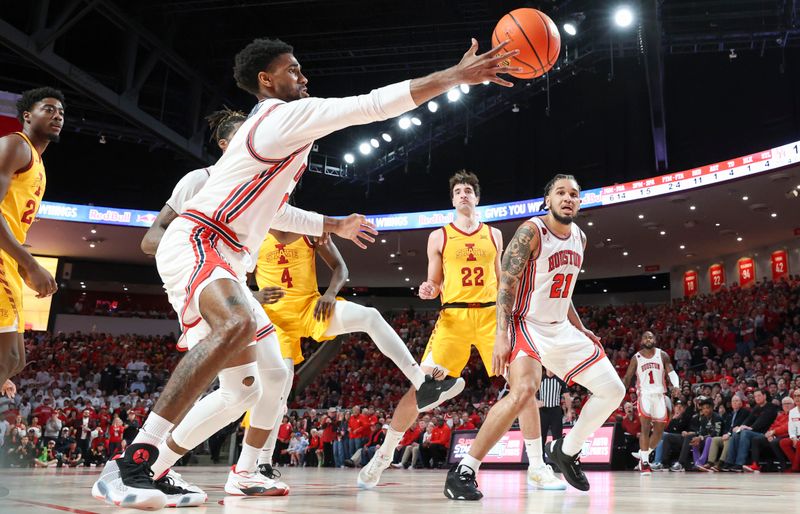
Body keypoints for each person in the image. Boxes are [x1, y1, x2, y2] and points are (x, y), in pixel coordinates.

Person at [92, 36, 518, 510]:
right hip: (201, 240)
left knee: (258, 382)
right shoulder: (279, 116)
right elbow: (372, 105)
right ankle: (132, 462)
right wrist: (454, 77)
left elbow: (275, 210)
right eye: (294, 70)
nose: (304, 77)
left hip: (228, 254)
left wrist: (331, 224)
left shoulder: (276, 135)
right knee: (236, 326)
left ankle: (192, 470)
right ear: (266, 80)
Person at [359, 171, 563, 490]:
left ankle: (538, 465)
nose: (463, 194)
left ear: (477, 198)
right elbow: (435, 281)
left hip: (489, 317)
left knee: (523, 387)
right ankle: (383, 456)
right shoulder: (438, 236)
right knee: (421, 388)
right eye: (458, 191)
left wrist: (507, 324)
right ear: (452, 200)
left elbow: (503, 281)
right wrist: (429, 288)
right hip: (452, 318)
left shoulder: (494, 234)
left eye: (468, 190)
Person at [444, 174, 626, 500]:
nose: (568, 198)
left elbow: (562, 289)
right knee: (524, 391)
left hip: (560, 327)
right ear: (548, 200)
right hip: (524, 323)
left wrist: (580, 326)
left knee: (613, 390)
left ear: (579, 202)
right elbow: (506, 284)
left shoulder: (580, 238)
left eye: (574, 194)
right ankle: (464, 470)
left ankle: (566, 451)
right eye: (561, 192)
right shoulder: (532, 231)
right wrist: (502, 336)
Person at [249, 224, 455, 482]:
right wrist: (255, 295)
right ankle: (264, 462)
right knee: (279, 390)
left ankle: (421, 382)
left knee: (370, 316)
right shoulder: (254, 234)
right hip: (274, 320)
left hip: (311, 307)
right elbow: (230, 278)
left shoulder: (308, 227)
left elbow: (341, 268)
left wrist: (330, 294)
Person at [0, 88, 63, 399]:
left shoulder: (37, 163)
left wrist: (23, 262)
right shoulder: (15, 145)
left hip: (8, 258)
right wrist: (30, 263)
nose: (58, 116)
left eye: (61, 112)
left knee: (14, 362)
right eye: (49, 109)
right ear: (27, 115)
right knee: (8, 359)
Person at [622, 330, 680, 474]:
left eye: (651, 337)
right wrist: (621, 391)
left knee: (659, 431)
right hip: (644, 395)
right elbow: (628, 377)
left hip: (660, 395)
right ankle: (646, 463)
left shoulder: (662, 355)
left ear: (654, 339)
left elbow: (671, 372)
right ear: (641, 341)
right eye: (645, 337)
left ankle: (644, 455)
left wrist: (676, 386)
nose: (648, 339)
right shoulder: (636, 358)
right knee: (645, 428)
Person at [720, 389, 778, 471]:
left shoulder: (770, 407)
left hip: (764, 434)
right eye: (755, 396)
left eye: (759, 396)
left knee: (745, 433)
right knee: (736, 433)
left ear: (764, 396)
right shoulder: (756, 408)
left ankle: (740, 463)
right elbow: (748, 420)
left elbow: (763, 421)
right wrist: (740, 427)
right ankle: (730, 462)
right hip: (754, 432)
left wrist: (751, 428)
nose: (757, 398)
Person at [538, 367, 573, 452]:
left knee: (557, 437)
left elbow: (567, 396)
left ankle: (557, 462)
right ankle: (541, 461)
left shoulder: (560, 379)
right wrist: (536, 401)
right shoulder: (540, 379)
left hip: (555, 411)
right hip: (543, 411)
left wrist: (569, 411)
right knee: (541, 437)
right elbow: (531, 392)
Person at [779, 389, 800, 472]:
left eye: (799, 396)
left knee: (799, 444)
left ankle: (794, 468)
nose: (797, 398)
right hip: (796, 437)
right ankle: (797, 466)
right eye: (795, 396)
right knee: (783, 442)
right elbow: (791, 427)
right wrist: (793, 437)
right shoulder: (792, 411)